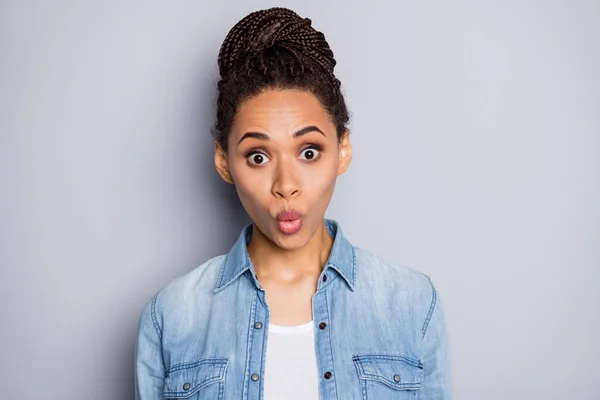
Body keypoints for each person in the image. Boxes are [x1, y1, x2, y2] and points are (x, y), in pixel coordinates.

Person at [135, 7, 452, 400]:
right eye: (258, 156)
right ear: (224, 161)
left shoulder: (412, 304)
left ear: (343, 150)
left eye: (309, 152)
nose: (286, 186)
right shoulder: (172, 316)